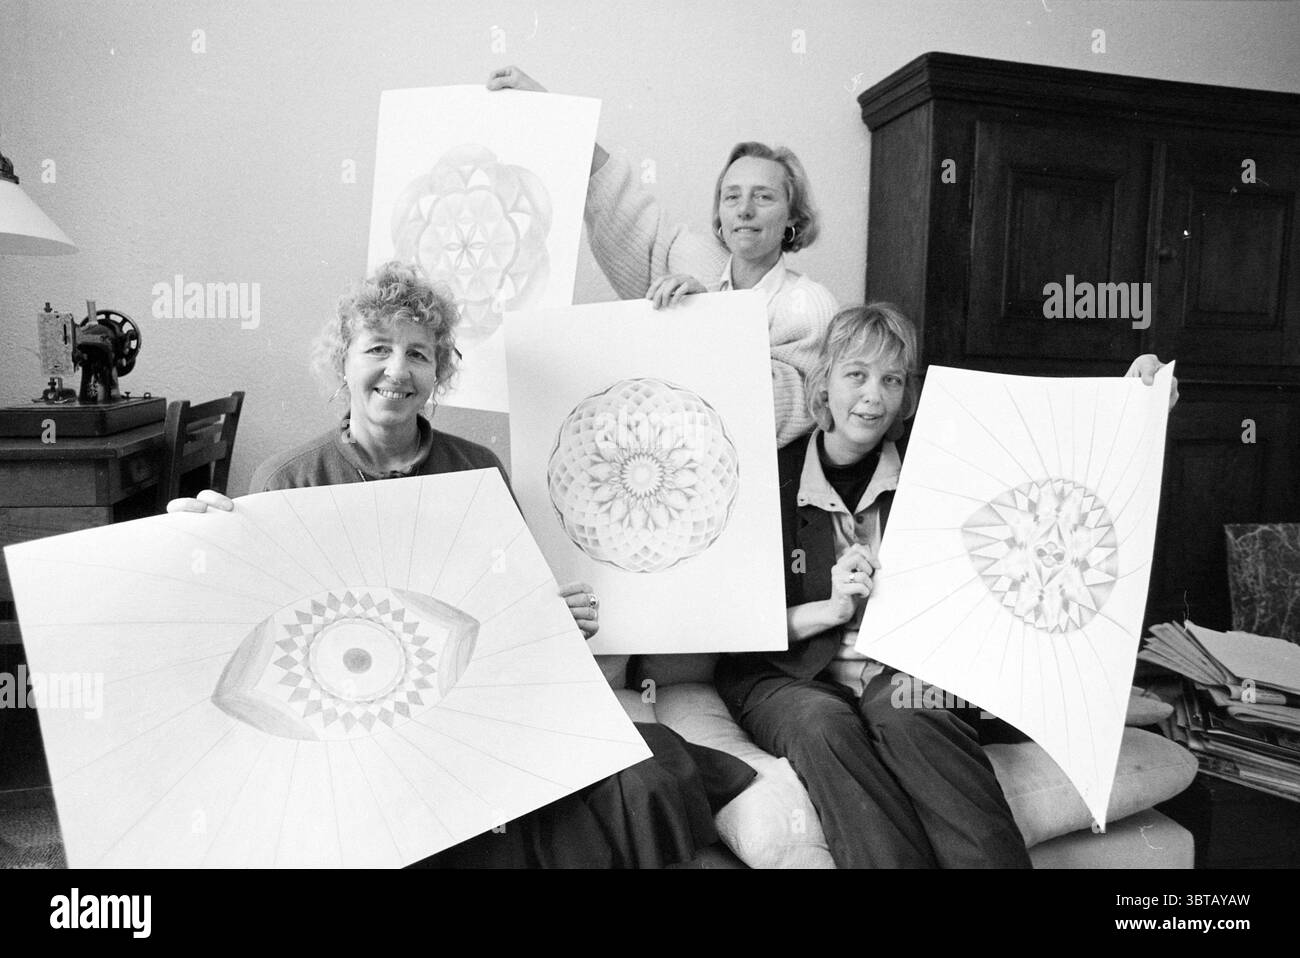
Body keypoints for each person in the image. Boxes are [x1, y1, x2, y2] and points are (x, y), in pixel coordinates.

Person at [169, 261, 754, 867]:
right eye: (378, 348)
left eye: (418, 354)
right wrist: (208, 547)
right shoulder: (287, 480)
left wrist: (554, 615)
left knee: (645, 771)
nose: (397, 370)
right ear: (342, 361)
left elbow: (513, 608)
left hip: (481, 707)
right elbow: (250, 638)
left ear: (438, 372)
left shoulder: (477, 470)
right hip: (358, 736)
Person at [486, 66, 1180, 444]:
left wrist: (700, 333)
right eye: (731, 196)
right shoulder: (685, 256)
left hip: (755, 482)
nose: (744, 209)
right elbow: (617, 206)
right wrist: (560, 121)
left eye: (764, 197)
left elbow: (795, 405)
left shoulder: (808, 304)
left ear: (793, 217)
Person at [714, 303, 1034, 868]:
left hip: (901, 666)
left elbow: (1041, 463)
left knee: (910, 711)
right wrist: (830, 609)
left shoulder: (935, 474)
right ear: (824, 384)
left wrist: (1140, 400)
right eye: (856, 375)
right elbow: (739, 623)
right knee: (823, 725)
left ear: (906, 397)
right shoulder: (765, 478)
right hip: (785, 674)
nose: (873, 395)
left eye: (891, 380)